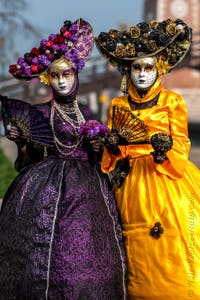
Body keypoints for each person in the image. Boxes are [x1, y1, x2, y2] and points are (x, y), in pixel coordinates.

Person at [0, 18, 127, 300]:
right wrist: (21, 142)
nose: (62, 81)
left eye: (66, 75)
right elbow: (29, 161)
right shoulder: (41, 114)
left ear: (75, 75)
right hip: (44, 188)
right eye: (56, 76)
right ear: (48, 79)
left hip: (88, 191)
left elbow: (99, 158)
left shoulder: (87, 111)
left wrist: (97, 144)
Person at [95, 18, 200, 299]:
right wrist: (113, 146)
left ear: (158, 69)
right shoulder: (117, 105)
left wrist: (165, 150)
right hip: (129, 183)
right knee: (131, 243)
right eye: (136, 68)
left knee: (171, 237)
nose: (142, 74)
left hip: (164, 177)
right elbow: (112, 155)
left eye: (148, 68)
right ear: (128, 71)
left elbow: (182, 142)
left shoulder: (171, 101)